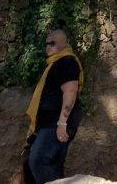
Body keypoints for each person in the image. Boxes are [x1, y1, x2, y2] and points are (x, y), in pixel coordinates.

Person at [24, 28, 84, 184]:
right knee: (46, 163)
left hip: (56, 124)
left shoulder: (66, 62)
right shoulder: (55, 63)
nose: (48, 47)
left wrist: (62, 123)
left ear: (64, 44)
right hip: (48, 124)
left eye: (53, 43)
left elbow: (70, 91)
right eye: (46, 44)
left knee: (39, 161)